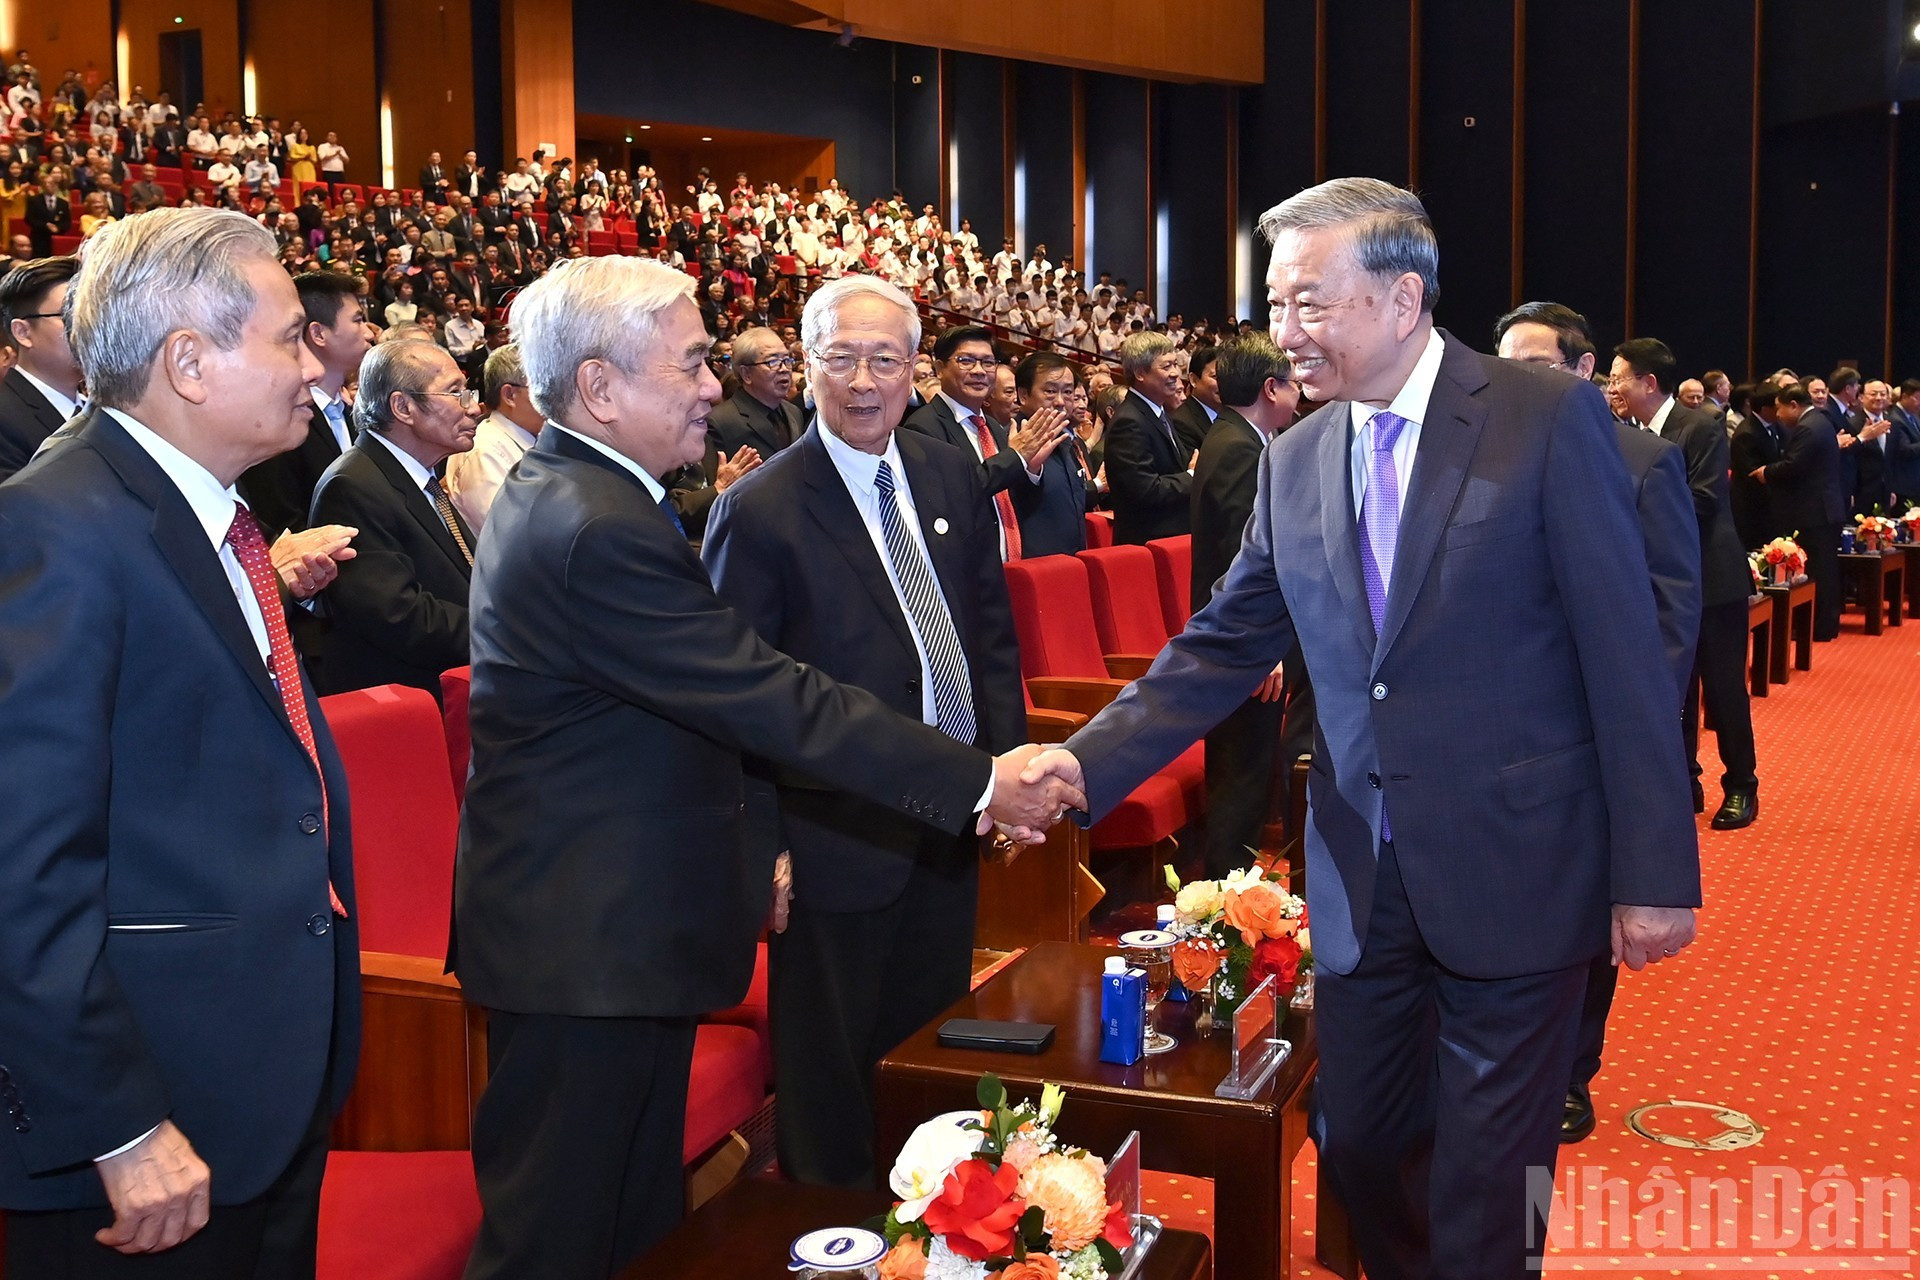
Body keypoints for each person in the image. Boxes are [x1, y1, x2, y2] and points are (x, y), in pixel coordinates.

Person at [1018, 178, 1700, 1279]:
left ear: (1403, 297)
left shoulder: (1542, 416)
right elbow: (1218, 646)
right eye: (1276, 305)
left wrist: (1656, 868)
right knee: (1362, 1145)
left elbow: (1628, 658)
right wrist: (1075, 763)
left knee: (1492, 1188)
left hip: (1520, 866)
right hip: (1361, 875)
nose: (1283, 331)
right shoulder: (1293, 458)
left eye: (1308, 302)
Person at [449, 256, 1079, 1279]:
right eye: (694, 362)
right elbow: (774, 693)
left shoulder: (594, 494)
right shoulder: (592, 522)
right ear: (602, 388)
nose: (715, 385)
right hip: (583, 945)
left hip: (617, 939)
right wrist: (976, 780)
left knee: (629, 1224)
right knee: (555, 1239)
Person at [0, 206, 359, 1278]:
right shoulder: (54, 525)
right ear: (190, 363)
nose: (320, 366)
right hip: (151, 1127)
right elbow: (21, 869)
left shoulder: (207, 514)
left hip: (258, 1087)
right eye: (293, 336)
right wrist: (120, 1121)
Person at [703, 273, 1026, 1189]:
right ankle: (831, 1236)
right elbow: (735, 699)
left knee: (928, 1047)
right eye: (838, 358)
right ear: (806, 368)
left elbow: (986, 634)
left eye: (884, 359)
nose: (861, 380)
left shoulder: (947, 470)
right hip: (830, 836)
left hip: (948, 817)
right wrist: (761, 843)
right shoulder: (760, 508)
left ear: (916, 371)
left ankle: (928, 1223)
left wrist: (996, 775)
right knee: (831, 1074)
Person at [1493, 300, 1703, 1146]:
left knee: (1584, 929)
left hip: (1589, 746)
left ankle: (1573, 1074)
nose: (1515, 381)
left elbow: (1667, 619)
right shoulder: (1480, 454)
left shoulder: (1645, 461)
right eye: (1504, 363)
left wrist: (1624, 734)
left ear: (1585, 373)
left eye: (1536, 364)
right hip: (1495, 745)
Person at [1610, 338, 1757, 829]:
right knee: (1674, 687)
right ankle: (1683, 780)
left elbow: (1704, 500)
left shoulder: (1701, 424)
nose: (1612, 387)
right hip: (1660, 582)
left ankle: (1741, 786)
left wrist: (1630, 523)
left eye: (1619, 378)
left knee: (1723, 689)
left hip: (1712, 580)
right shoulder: (1624, 431)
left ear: (1648, 383)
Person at [1191, 334, 1304, 874]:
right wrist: (1265, 648)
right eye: (1292, 382)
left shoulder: (1237, 437)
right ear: (1269, 387)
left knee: (1247, 774)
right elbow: (1239, 559)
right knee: (1242, 776)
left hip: (1242, 640)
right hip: (1241, 644)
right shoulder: (1239, 447)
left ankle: (1234, 894)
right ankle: (1221, 906)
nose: (1299, 393)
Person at [308, 340, 479, 698]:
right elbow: (399, 617)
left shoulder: (419, 475)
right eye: (455, 393)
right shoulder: (352, 485)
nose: (474, 407)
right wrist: (508, 630)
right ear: (402, 407)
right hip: (412, 703)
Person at [902, 325, 1068, 560]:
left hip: (1013, 566)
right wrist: (1015, 457)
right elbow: (954, 497)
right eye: (966, 361)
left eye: (988, 362)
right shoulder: (923, 427)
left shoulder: (992, 426)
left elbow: (1011, 499)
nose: (979, 371)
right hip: (968, 568)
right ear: (939, 368)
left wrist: (1030, 470)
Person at [239, 272, 379, 538]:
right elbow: (285, 527)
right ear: (318, 333)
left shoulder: (352, 414)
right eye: (358, 320)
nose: (369, 333)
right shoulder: (281, 420)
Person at [1753, 383, 1846, 640]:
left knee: (1820, 571)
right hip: (1824, 509)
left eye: (1781, 408)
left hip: (1816, 511)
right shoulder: (1820, 420)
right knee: (1824, 569)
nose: (1779, 415)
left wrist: (1766, 472)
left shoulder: (1807, 427)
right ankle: (1824, 624)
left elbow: (1794, 466)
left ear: (1794, 405)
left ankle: (1821, 627)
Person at [1104, 330, 1195, 543]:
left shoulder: (1159, 412)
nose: (1175, 373)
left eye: (1175, 364)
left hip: (1169, 540)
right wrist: (1191, 476)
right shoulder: (1129, 421)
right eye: (1166, 366)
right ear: (1140, 373)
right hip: (1146, 545)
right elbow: (1144, 490)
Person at [444, 342, 544, 531]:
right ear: (509, 395)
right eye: (542, 387)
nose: (552, 398)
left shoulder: (536, 439)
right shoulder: (484, 454)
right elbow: (509, 537)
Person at [0, 254, 82, 478]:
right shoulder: (5, 418)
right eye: (70, 315)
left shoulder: (104, 406)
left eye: (91, 314)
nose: (87, 328)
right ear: (23, 333)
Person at [1008, 352, 1090, 557]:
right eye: (1051, 391)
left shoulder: (1066, 438)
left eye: (1068, 392)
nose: (1061, 401)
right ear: (1023, 395)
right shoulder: (1014, 438)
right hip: (1036, 566)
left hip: (1072, 560)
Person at [702, 324, 802, 467]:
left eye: (787, 360)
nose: (784, 369)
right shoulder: (718, 422)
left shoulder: (794, 412)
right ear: (746, 374)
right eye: (772, 362)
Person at [1729, 385, 1785, 547]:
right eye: (1777, 407)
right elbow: (1752, 476)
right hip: (1752, 510)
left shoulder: (1776, 426)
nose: (1780, 411)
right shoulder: (1746, 433)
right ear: (1765, 409)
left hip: (1771, 509)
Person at [1169, 343, 1222, 454]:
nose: (1223, 383)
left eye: (1226, 376)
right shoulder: (1181, 422)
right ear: (1193, 380)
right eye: (1215, 377)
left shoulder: (1230, 413)